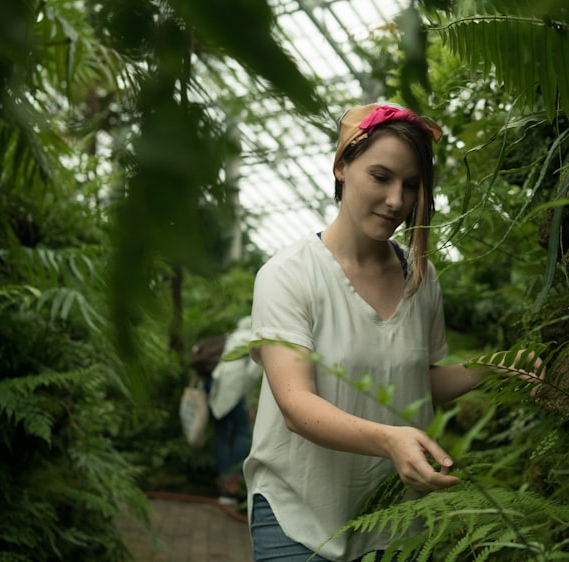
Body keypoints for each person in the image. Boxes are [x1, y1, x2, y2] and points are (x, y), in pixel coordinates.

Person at [243, 102, 541, 561]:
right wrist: (390, 438)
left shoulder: (421, 277)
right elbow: (296, 406)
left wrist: (494, 368)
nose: (397, 201)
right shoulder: (289, 275)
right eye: (381, 177)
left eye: (411, 186)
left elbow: (420, 380)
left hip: (392, 522)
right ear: (342, 166)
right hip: (297, 517)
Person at [208, 316, 263, 506]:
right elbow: (251, 374)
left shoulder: (232, 337)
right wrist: (249, 403)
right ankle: (233, 485)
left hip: (217, 388)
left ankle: (223, 483)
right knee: (242, 433)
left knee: (222, 435)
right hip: (236, 391)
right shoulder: (255, 338)